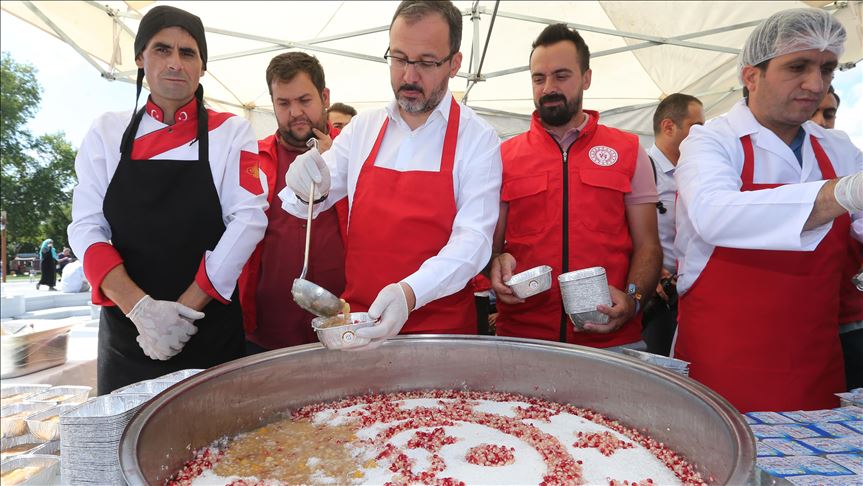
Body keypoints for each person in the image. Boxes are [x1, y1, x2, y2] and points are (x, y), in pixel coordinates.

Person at [68, 5, 268, 394]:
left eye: (187, 52)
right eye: (162, 50)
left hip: (210, 332)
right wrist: (142, 310)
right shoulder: (106, 133)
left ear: (202, 66)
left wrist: (185, 312)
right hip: (129, 337)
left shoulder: (232, 132)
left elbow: (249, 220)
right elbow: (86, 227)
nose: (175, 63)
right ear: (141, 59)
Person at [673, 8, 862, 412]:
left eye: (827, 70)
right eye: (798, 67)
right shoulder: (711, 142)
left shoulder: (838, 149)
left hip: (814, 370)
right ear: (751, 76)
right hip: (722, 370)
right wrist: (841, 194)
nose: (816, 84)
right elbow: (715, 214)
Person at [282, 0, 502, 349]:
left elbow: (474, 241)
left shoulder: (478, 139)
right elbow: (304, 203)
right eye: (399, 58)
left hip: (440, 338)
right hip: (359, 329)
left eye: (426, 62)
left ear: (455, 63)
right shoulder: (363, 129)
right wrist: (307, 184)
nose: (409, 76)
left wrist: (410, 293)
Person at [489, 24, 662, 350]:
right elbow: (489, 247)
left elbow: (649, 246)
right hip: (523, 341)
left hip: (613, 341)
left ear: (586, 78)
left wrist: (633, 300)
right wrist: (493, 267)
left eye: (561, 75)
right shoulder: (504, 156)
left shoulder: (627, 150)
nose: (548, 87)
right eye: (538, 78)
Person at [239, 52, 347, 354]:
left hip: (343, 330)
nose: (295, 112)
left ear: (324, 96)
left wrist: (337, 162)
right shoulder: (253, 160)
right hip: (265, 337)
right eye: (283, 103)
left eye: (304, 100)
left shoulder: (353, 154)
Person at [641, 93, 704, 356]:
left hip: (691, 296)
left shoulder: (696, 172)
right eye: (696, 127)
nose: (703, 135)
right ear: (669, 127)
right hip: (657, 300)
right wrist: (647, 273)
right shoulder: (641, 168)